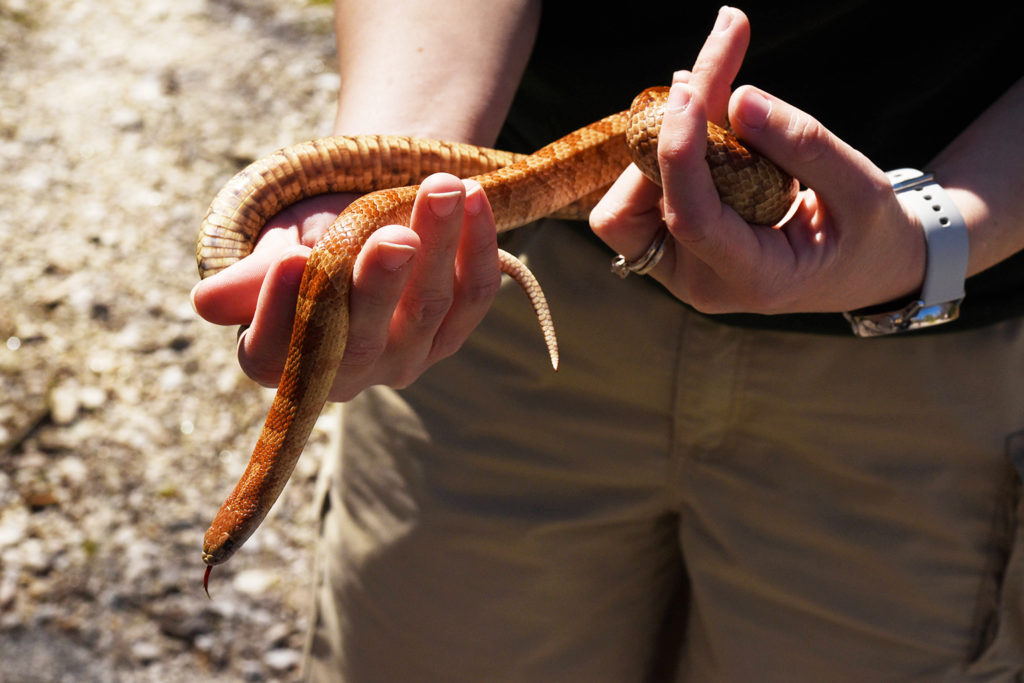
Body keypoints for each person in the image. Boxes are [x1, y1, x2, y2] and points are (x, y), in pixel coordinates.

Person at [192, 2, 1024, 680]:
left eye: (231, 537)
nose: (230, 545)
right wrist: (387, 186)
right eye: (229, 539)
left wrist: (937, 235)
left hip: (932, 359)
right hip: (495, 293)